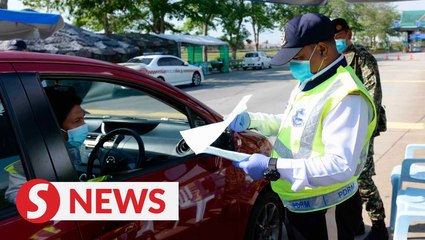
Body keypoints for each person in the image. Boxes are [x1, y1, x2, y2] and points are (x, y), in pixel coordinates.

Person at [229, 13, 376, 240]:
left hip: (328, 210)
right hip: (300, 205)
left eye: (297, 56)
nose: (293, 64)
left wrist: (273, 166)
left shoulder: (346, 96)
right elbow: (292, 122)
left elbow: (340, 165)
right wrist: (251, 120)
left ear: (323, 50)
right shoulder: (310, 82)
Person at [332, 18, 388, 240]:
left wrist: (362, 127)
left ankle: (379, 226)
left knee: (362, 178)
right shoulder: (331, 60)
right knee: (345, 178)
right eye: (333, 37)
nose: (337, 40)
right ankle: (355, 224)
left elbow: (374, 95)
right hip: (340, 127)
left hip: (362, 126)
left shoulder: (363, 58)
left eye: (340, 36)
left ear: (349, 34)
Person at [4, 86, 88, 204]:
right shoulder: (29, 157)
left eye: (83, 119)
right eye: (77, 121)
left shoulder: (61, 147)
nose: (84, 125)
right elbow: (16, 194)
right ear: (54, 126)